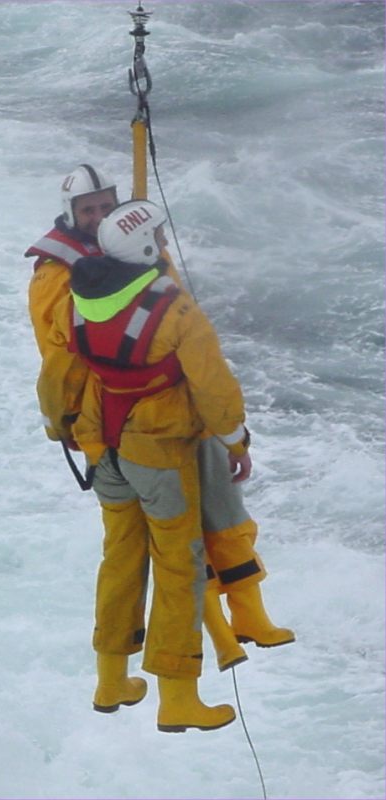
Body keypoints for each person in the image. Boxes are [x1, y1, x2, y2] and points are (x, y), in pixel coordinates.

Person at [25, 165, 294, 674]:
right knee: (169, 548)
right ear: (71, 216)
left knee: (223, 513)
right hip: (124, 425)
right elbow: (63, 356)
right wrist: (81, 426)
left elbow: (179, 324)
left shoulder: (137, 247)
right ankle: (192, 654)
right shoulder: (58, 276)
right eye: (89, 210)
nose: (101, 216)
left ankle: (248, 615)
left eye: (107, 205)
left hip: (181, 408)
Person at [37, 199, 257, 731]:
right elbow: (213, 386)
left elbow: (58, 371)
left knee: (120, 561)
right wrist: (236, 440)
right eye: (158, 239)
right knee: (180, 566)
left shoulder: (79, 299)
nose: (164, 245)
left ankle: (111, 679)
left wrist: (60, 427)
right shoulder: (176, 310)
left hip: (101, 445)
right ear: (144, 247)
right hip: (156, 449)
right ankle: (178, 695)